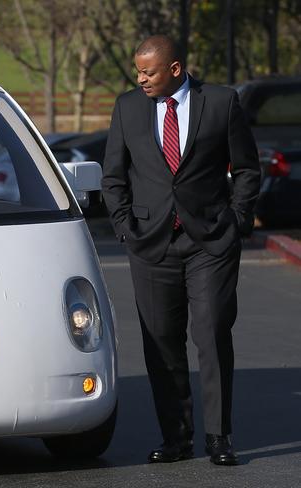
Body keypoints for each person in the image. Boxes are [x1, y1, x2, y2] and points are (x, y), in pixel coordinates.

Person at [101, 35, 261, 466]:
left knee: (210, 333)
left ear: (174, 69)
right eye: (138, 71)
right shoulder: (127, 107)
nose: (141, 79)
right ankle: (176, 437)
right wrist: (125, 229)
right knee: (161, 343)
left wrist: (238, 219)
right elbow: (113, 176)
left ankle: (218, 437)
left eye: (148, 72)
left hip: (210, 241)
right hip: (150, 245)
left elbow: (246, 168)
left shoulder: (222, 102)